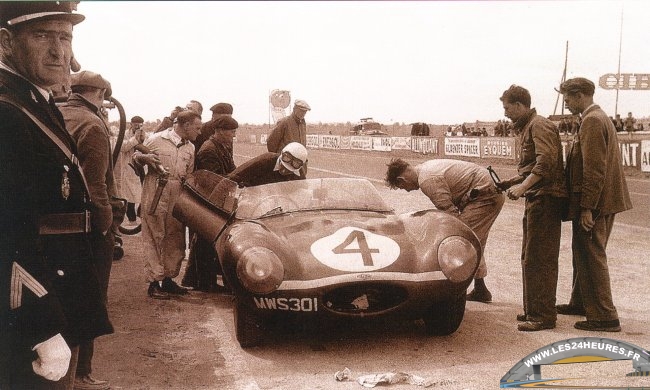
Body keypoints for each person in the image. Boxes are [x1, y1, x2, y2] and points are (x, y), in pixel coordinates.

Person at [0, 3, 112, 389]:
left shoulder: (35, 102)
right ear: (6, 42)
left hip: (62, 291)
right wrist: (40, 326)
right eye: (42, 35)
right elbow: (8, 233)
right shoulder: (8, 112)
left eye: (64, 37)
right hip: (35, 308)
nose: (57, 50)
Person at [557, 77, 632, 332]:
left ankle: (604, 316)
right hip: (603, 200)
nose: (565, 103)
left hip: (596, 203)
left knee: (591, 255)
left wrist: (587, 207)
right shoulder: (595, 118)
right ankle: (581, 302)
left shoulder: (591, 121)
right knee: (583, 253)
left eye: (567, 97)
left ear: (580, 96)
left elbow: (594, 169)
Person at [59, 70, 118, 390]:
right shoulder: (93, 125)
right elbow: (97, 186)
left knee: (65, 300)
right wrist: (106, 225)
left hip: (61, 226)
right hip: (89, 226)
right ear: (98, 94)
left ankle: (66, 372)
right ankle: (82, 373)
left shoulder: (58, 114)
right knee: (92, 298)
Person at [384, 158, 504, 303]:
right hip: (486, 192)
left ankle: (455, 295)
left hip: (484, 195)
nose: (408, 190)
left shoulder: (427, 180)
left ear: (401, 179)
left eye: (403, 187)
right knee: (474, 240)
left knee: (461, 241)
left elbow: (452, 216)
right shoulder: (426, 167)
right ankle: (480, 290)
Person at [498, 85, 568, 332]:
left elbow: (546, 164)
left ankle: (542, 315)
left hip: (546, 200)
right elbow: (530, 168)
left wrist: (521, 187)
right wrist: (511, 182)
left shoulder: (539, 125)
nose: (505, 112)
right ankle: (533, 310)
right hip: (537, 198)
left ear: (519, 105)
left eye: (507, 107)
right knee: (530, 257)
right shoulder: (528, 127)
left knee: (540, 258)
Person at [133, 110, 202, 299]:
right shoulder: (156, 139)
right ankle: (154, 282)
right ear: (186, 125)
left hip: (177, 191)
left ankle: (169, 279)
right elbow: (135, 158)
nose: (199, 132)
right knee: (155, 235)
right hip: (156, 189)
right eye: (197, 128)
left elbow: (189, 173)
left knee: (175, 236)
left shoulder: (190, 148)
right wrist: (144, 158)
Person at [182, 116, 239, 292]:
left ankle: (197, 280)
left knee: (206, 242)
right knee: (205, 242)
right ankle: (205, 283)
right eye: (231, 132)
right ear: (220, 131)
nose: (233, 135)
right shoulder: (209, 150)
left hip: (214, 200)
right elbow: (214, 180)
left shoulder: (221, 146)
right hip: (209, 201)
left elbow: (232, 169)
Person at [227, 142, 308, 187]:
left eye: (289, 171)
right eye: (283, 166)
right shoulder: (265, 161)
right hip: (252, 198)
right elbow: (235, 176)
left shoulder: (299, 176)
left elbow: (303, 192)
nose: (284, 170)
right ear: (281, 155)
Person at [114, 115, 145, 223]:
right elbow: (123, 147)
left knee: (141, 194)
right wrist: (135, 139)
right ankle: (131, 219)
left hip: (139, 169)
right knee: (128, 196)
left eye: (140, 125)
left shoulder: (143, 134)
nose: (137, 127)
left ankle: (139, 215)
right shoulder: (124, 134)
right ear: (131, 124)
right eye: (135, 125)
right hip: (128, 168)